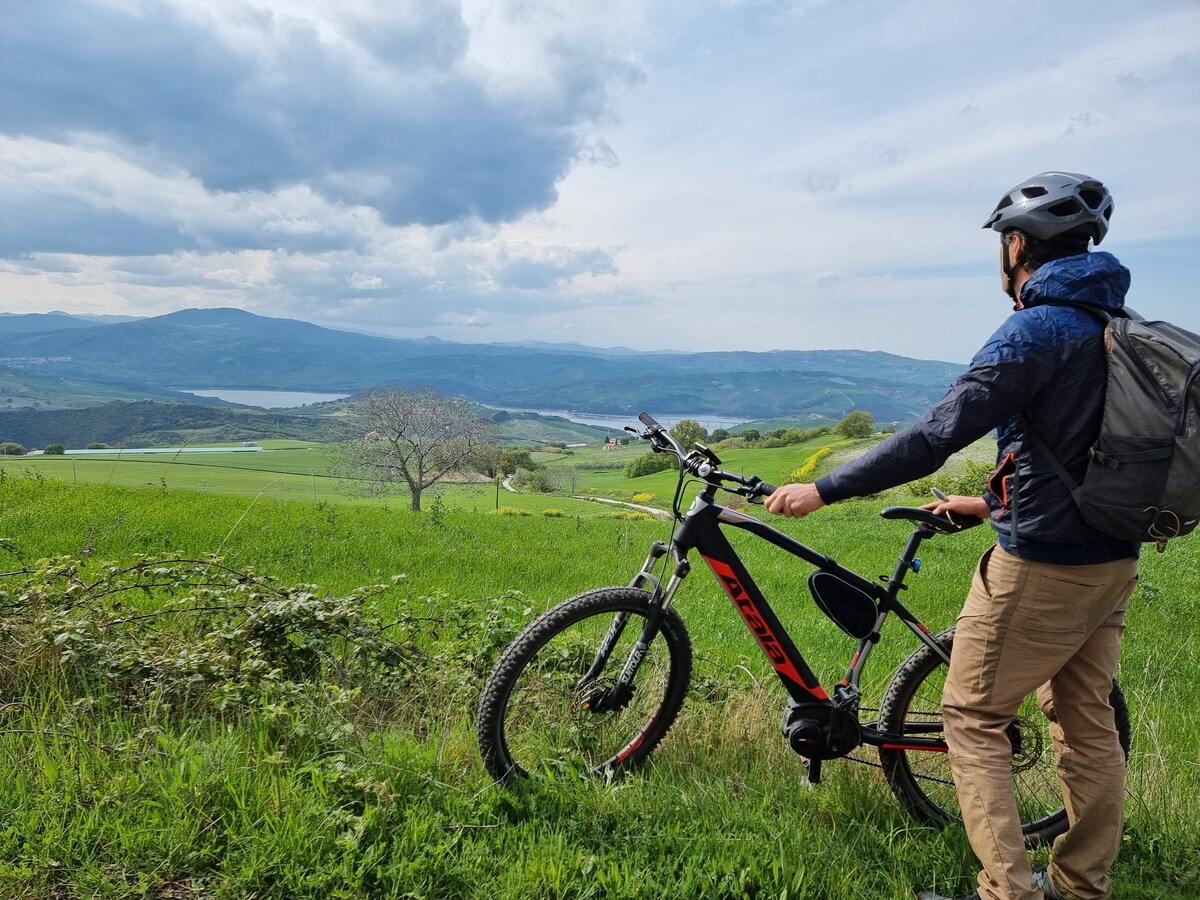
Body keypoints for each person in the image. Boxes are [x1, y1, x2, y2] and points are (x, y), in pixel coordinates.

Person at [764, 172, 1140, 900]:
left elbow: (936, 433)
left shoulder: (1036, 329)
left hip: (1042, 568)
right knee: (1085, 720)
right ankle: (1083, 885)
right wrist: (989, 501)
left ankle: (1007, 892)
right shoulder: (1117, 327)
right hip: (1112, 560)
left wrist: (824, 487)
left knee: (972, 719)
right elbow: (1075, 447)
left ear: (1018, 245)